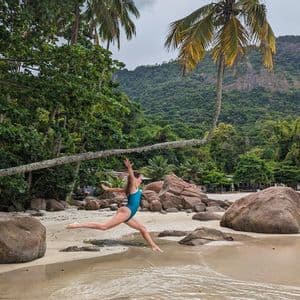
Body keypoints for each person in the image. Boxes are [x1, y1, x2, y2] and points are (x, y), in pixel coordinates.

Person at [66, 158, 163, 252]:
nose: (142, 180)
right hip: (126, 211)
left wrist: (108, 189)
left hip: (129, 214)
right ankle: (78, 225)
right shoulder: (133, 186)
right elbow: (132, 178)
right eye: (141, 178)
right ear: (136, 179)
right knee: (104, 227)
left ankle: (154, 246)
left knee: (142, 228)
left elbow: (119, 189)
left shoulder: (132, 188)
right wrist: (129, 168)